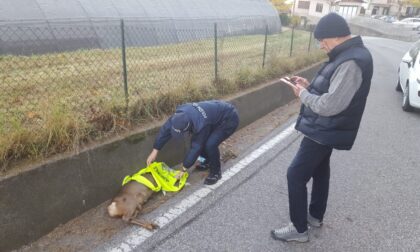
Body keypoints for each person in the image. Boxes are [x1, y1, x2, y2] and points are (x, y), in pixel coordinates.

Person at [271, 13, 373, 242]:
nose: (320, 45)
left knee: (295, 175)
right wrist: (308, 85)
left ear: (334, 36)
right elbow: (333, 90)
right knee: (320, 170)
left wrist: (303, 94)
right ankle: (315, 216)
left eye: (322, 40)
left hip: (325, 128)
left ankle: (299, 229)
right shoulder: (347, 55)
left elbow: (331, 104)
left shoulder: (351, 61)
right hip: (328, 128)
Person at [146, 100, 239, 185]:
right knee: (201, 141)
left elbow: (196, 147)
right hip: (215, 116)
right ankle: (206, 161)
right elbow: (165, 130)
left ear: (188, 126)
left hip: (228, 119)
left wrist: (183, 169)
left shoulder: (201, 124)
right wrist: (155, 150)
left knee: (210, 144)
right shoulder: (178, 116)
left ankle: (216, 172)